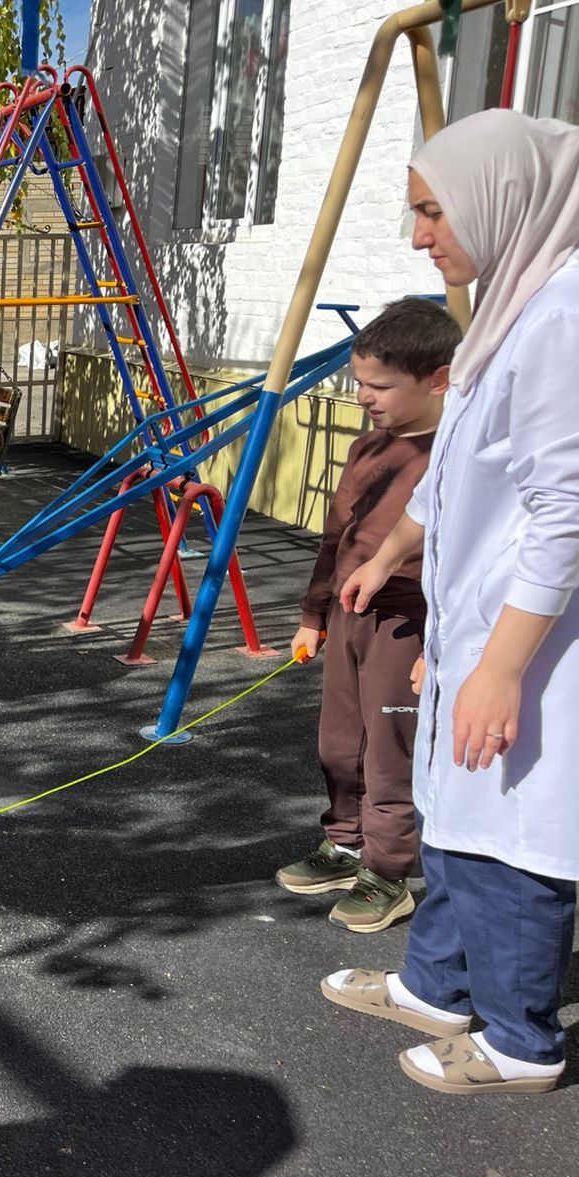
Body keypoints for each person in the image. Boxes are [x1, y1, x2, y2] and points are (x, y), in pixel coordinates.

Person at [319, 109, 579, 1096]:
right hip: (479, 633)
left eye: (432, 211)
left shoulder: (559, 321)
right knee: (454, 819)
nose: (418, 235)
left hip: (533, 649)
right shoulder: (507, 312)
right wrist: (386, 557)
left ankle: (519, 1043)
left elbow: (564, 512)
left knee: (511, 839)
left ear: (500, 200)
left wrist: (502, 668)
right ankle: (435, 985)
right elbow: (449, 487)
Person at [276, 298, 459, 933]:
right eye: (358, 381)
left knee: (391, 751)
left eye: (380, 385)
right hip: (352, 616)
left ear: (437, 378)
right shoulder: (365, 449)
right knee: (338, 742)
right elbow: (336, 539)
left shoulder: (455, 452)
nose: (363, 396)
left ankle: (389, 870)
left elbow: (463, 558)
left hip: (408, 623)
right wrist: (313, 613)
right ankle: (345, 842)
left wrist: (438, 644)